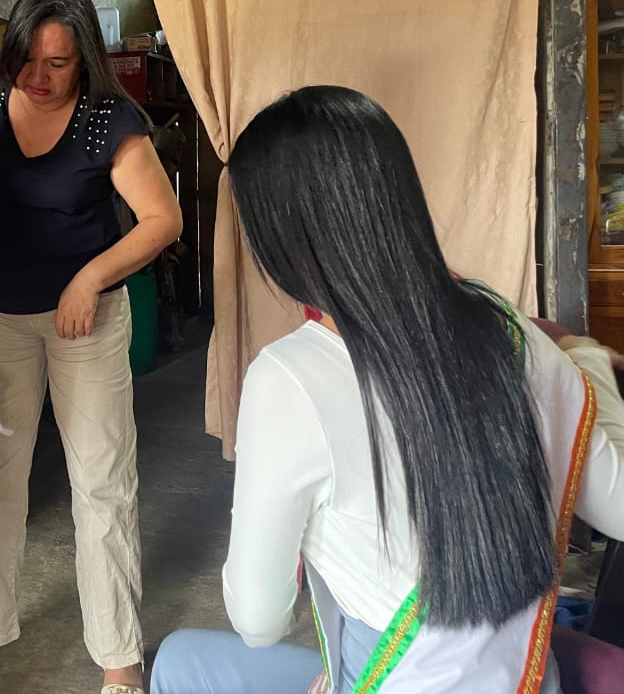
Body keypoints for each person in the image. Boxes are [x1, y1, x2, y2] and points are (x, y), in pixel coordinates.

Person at [150, 86, 624, 694]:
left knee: (178, 661)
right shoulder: (513, 332)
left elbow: (259, 620)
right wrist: (585, 358)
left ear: (283, 239)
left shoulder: (291, 377)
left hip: (385, 681)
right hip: (526, 681)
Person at [0, 0, 183, 694]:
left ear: (84, 60)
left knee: (101, 482)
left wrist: (89, 279)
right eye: (26, 59)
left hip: (85, 324)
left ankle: (119, 655)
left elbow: (163, 220)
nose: (37, 77)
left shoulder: (109, 120)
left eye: (58, 64)